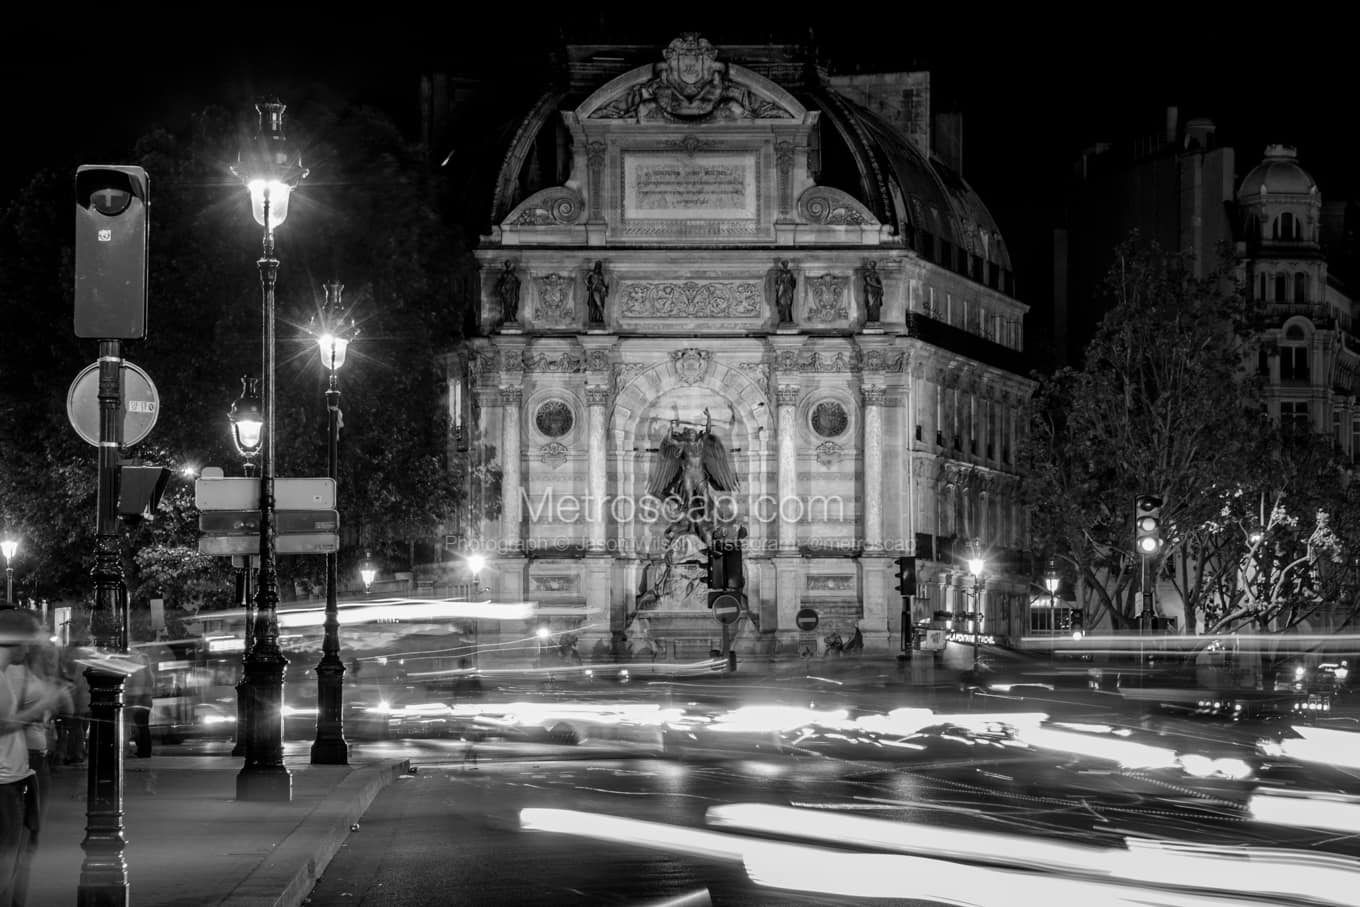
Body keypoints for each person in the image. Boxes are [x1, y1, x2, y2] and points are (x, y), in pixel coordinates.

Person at [0, 608, 43, 907]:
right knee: (5, 861)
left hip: (15, 777)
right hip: (5, 782)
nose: (28, 650)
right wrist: (48, 700)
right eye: (26, 642)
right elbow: (3, 726)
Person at [123, 649, 153, 758]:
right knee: (143, 727)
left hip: (139, 700)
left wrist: (134, 700)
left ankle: (142, 751)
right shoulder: (149, 674)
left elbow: (137, 688)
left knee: (138, 727)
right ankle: (145, 751)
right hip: (147, 701)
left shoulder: (140, 673)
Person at [495, 259, 520, 324]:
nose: (508, 265)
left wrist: (517, 282)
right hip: (506, 293)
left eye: (509, 264)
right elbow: (500, 284)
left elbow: (517, 282)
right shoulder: (504, 274)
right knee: (507, 305)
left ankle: (512, 317)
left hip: (512, 292)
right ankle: (508, 318)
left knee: (514, 304)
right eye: (507, 264)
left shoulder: (513, 274)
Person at [586, 260, 609, 325]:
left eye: (600, 266)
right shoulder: (591, 273)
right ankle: (603, 316)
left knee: (601, 304)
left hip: (602, 289)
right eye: (598, 265)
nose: (598, 267)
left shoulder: (600, 274)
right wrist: (588, 285)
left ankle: (600, 318)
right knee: (598, 304)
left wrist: (605, 287)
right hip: (595, 289)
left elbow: (602, 282)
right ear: (596, 266)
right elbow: (585, 279)